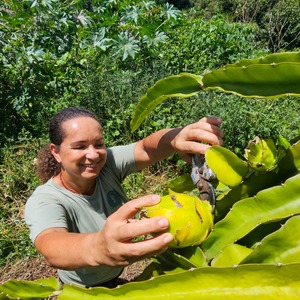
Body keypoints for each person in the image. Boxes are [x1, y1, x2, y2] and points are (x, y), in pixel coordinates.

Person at [24, 106, 223, 288]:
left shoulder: (106, 165)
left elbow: (145, 148)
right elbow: (50, 244)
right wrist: (98, 247)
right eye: (80, 147)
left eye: (98, 144)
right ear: (56, 152)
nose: (93, 155)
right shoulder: (46, 199)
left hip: (116, 275)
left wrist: (176, 137)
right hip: (82, 290)